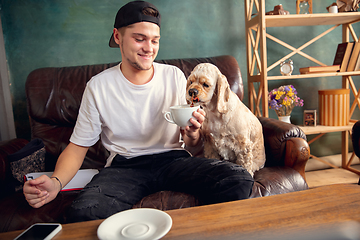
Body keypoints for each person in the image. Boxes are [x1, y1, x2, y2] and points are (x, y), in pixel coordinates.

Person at [23, 0, 254, 222]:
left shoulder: (174, 76)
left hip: (173, 160)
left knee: (239, 179)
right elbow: (77, 147)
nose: (149, 48)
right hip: (125, 167)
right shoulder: (98, 86)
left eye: (155, 40)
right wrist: (55, 182)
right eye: (140, 39)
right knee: (83, 213)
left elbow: (192, 145)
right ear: (118, 37)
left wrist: (192, 133)